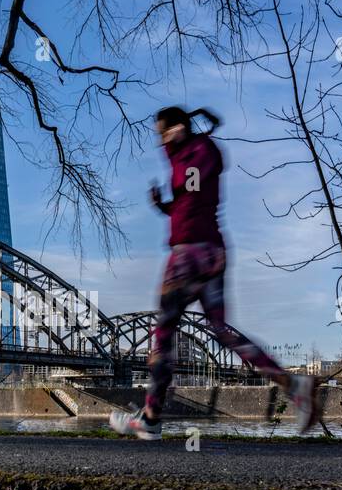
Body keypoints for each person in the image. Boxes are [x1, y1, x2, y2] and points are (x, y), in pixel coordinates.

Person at [109, 106, 321, 440]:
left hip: (189, 254)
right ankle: (294, 385)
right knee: (220, 330)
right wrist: (164, 205)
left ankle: (151, 417)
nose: (161, 140)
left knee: (164, 331)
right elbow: (192, 199)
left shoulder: (197, 153)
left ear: (177, 128)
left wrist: (186, 161)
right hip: (213, 253)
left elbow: (193, 192)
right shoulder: (190, 154)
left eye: (163, 132)